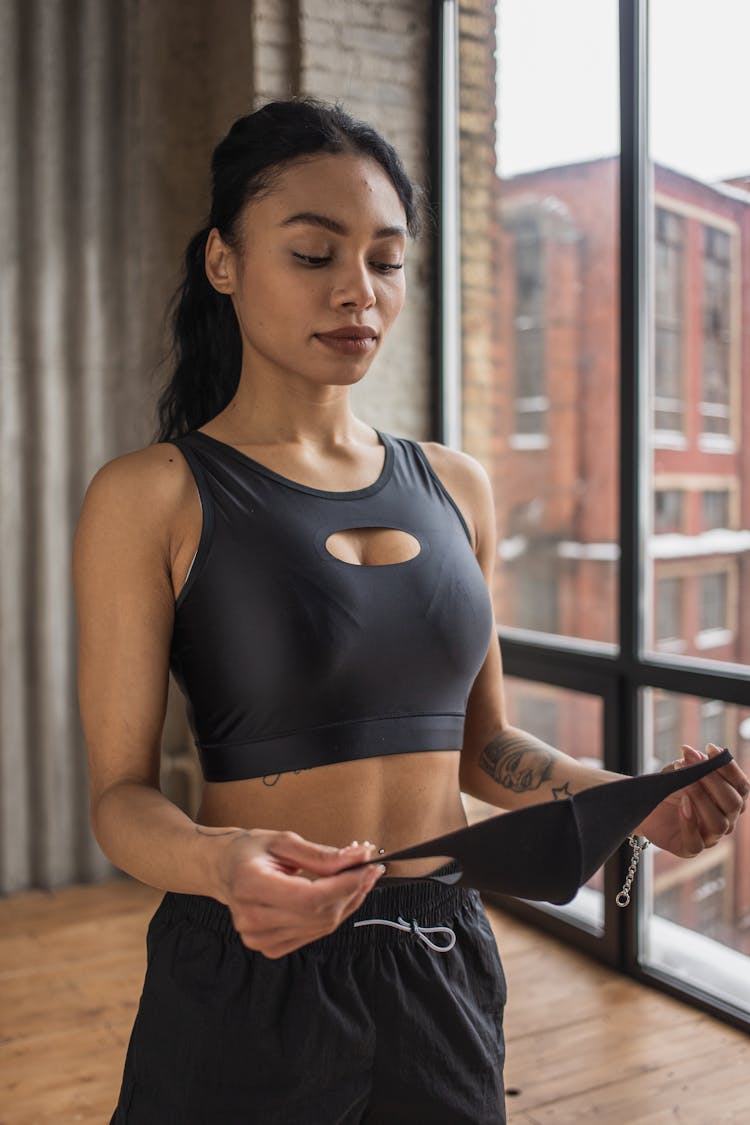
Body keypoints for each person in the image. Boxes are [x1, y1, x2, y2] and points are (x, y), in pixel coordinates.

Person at [72, 96, 749, 1125]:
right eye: (313, 254)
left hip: (442, 956)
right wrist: (221, 864)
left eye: (385, 261)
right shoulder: (151, 495)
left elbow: (483, 749)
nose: (359, 292)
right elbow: (119, 797)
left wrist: (628, 798)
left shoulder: (455, 486)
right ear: (222, 262)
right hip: (251, 966)